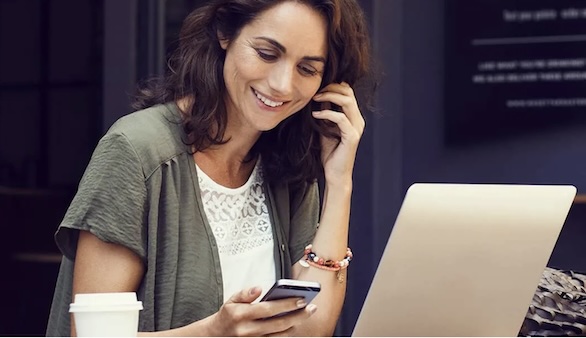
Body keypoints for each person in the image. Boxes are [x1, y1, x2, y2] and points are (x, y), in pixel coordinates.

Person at [46, 0, 373, 336]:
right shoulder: (136, 151)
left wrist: (339, 182)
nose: (282, 84)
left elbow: (311, 329)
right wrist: (213, 332)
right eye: (266, 53)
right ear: (224, 33)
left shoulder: (288, 165)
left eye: (307, 69)